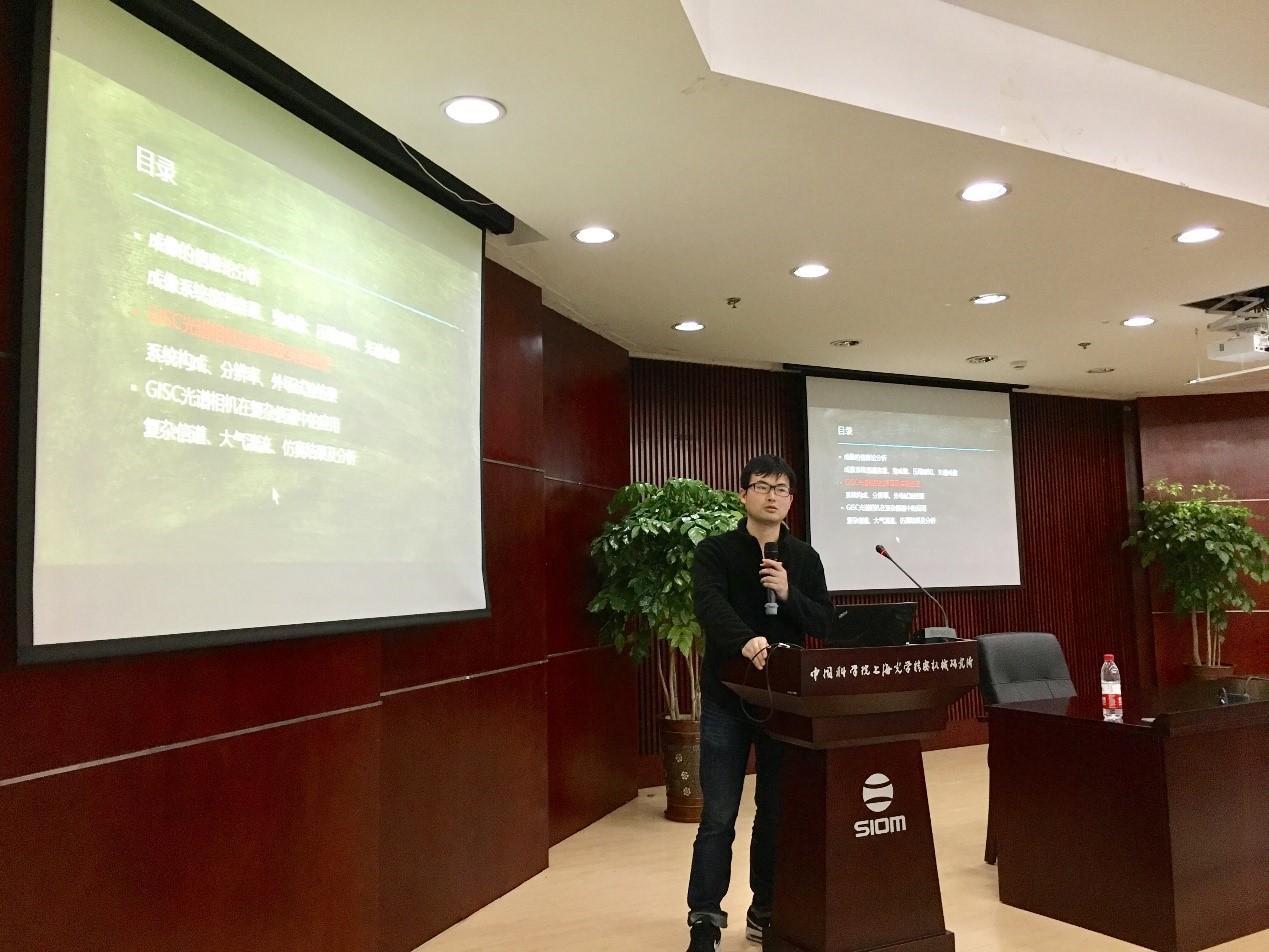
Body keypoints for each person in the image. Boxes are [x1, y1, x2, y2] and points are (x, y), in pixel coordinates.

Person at [684, 455, 835, 952]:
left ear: (791, 500)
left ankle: (765, 909)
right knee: (718, 815)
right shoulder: (715, 551)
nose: (772, 496)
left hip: (784, 704)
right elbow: (709, 606)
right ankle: (705, 919)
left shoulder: (805, 558)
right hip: (727, 700)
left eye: (781, 489)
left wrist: (789, 593)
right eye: (763, 486)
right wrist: (745, 640)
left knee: (774, 812)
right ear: (743, 494)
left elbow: (824, 621)